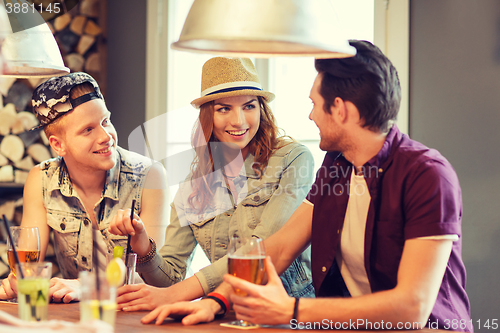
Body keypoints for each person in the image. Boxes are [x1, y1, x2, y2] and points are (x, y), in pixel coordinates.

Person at [140, 40, 473, 332]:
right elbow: (279, 247)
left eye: (314, 103)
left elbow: (412, 308)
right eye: (224, 108)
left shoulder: (427, 175)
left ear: (340, 110)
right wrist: (215, 301)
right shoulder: (337, 166)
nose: (310, 116)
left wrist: (291, 310)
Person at [116, 57, 315, 312]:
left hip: (290, 314)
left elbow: (259, 249)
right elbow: (170, 280)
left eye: (249, 106)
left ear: (262, 109)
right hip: (223, 313)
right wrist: (142, 244)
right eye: (224, 109)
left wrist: (178, 294)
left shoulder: (293, 159)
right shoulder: (194, 186)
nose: (239, 121)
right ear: (208, 115)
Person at [0, 72, 168, 303]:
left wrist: (87, 286)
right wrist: (18, 282)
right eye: (88, 130)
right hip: (78, 316)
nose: (106, 136)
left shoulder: (150, 176)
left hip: (143, 315)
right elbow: (28, 268)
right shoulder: (40, 179)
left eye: (105, 121)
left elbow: (158, 275)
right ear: (58, 145)